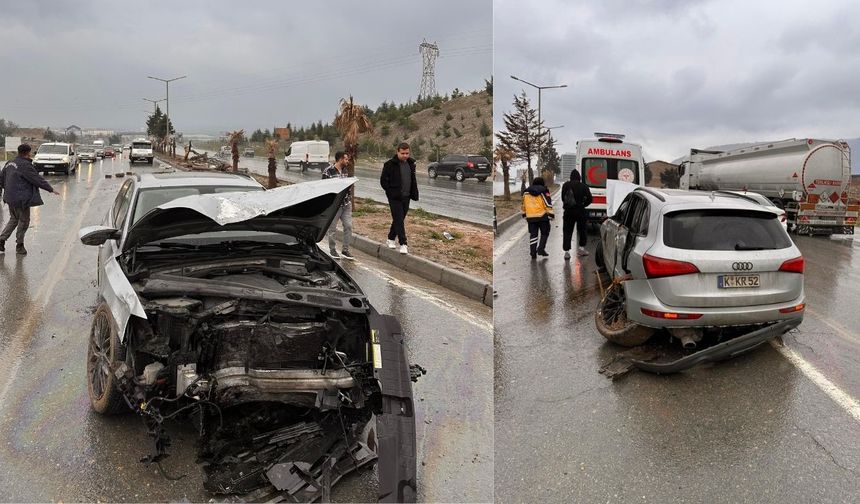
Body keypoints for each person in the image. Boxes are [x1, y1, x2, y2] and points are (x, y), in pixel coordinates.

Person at [0, 144, 60, 255]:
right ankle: (20, 246)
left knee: (14, 219)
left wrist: (8, 191)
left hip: (10, 197)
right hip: (21, 199)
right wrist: (51, 189)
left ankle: (1, 240)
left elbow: (2, 178)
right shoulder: (25, 165)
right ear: (28, 153)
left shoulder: (9, 163)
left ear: (18, 152)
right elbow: (36, 179)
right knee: (24, 222)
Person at [380, 142, 419, 255]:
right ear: (397, 152)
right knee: (398, 219)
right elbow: (383, 181)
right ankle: (403, 243)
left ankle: (390, 238)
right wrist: (391, 192)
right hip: (394, 197)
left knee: (399, 219)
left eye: (407, 153)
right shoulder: (389, 164)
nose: (405, 155)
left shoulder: (411, 164)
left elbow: (412, 180)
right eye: (403, 153)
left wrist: (413, 192)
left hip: (406, 196)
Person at [322, 151, 354, 260]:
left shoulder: (345, 170)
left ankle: (345, 250)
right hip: (334, 205)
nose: (347, 161)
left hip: (346, 204)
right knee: (332, 228)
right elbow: (323, 189)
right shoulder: (328, 171)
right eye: (346, 159)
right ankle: (332, 249)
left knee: (348, 226)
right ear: (340, 159)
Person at [561, 170, 593, 259]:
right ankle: (581, 249)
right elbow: (590, 199)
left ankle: (567, 252)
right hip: (580, 211)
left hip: (568, 212)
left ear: (571, 177)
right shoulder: (583, 186)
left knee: (567, 231)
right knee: (582, 230)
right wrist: (583, 205)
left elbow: (563, 198)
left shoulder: (565, 185)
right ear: (579, 177)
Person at [521, 176, 554, 259]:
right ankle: (541, 249)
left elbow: (523, 204)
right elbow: (547, 203)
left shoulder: (526, 192)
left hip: (531, 217)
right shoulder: (544, 191)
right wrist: (551, 214)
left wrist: (524, 214)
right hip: (542, 216)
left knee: (533, 235)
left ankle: (533, 253)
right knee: (545, 233)